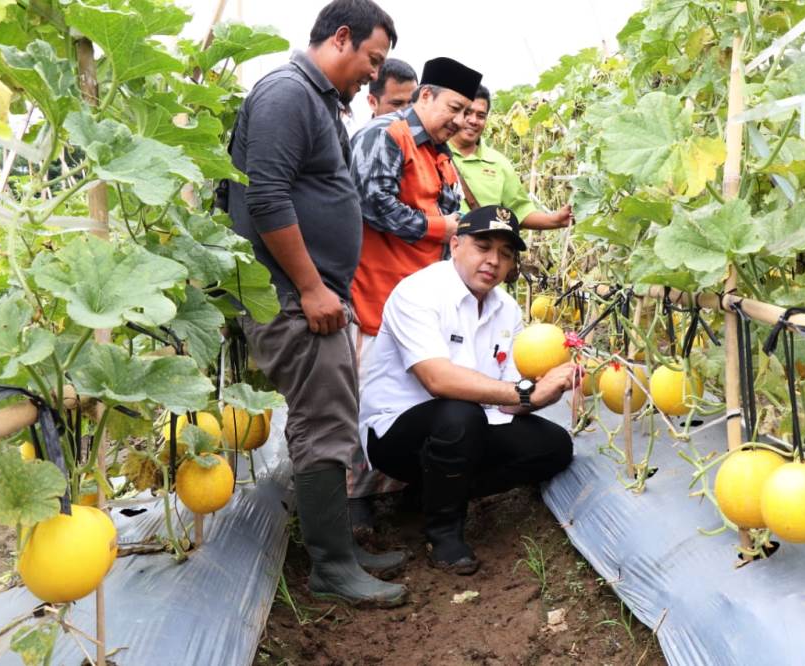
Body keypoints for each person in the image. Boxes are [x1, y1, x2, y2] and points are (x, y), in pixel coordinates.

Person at [224, 0, 407, 607]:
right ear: (343, 37)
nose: (372, 76)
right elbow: (267, 199)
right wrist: (309, 286)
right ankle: (331, 568)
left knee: (329, 417)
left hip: (314, 297)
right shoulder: (286, 94)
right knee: (322, 423)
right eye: (371, 61)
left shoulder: (317, 99)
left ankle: (341, 553)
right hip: (291, 300)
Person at [360, 205, 576, 574]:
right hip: (398, 436)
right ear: (455, 245)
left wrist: (545, 392)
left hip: (467, 428)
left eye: (505, 254)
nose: (493, 260)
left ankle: (429, 495)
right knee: (458, 413)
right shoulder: (418, 292)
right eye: (483, 246)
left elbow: (507, 396)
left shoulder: (506, 309)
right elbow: (438, 380)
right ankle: (444, 534)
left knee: (554, 447)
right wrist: (525, 392)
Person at [346, 57, 482, 528]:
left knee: (412, 400)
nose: (462, 120)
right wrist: (439, 228)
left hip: (421, 303)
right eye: (454, 107)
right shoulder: (385, 135)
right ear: (425, 96)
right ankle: (354, 504)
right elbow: (369, 203)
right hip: (375, 297)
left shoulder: (440, 155)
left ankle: (405, 491)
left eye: (468, 112)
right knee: (365, 401)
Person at [450, 85, 572, 229]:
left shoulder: (498, 162)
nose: (473, 120)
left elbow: (520, 211)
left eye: (481, 116)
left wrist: (555, 220)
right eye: (467, 113)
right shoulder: (435, 152)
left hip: (478, 249)